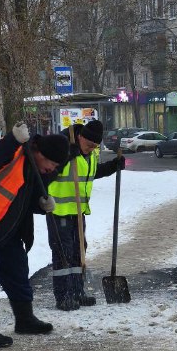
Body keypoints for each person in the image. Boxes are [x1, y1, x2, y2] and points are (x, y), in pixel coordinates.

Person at [0, 121, 69, 347]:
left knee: (17, 270)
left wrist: (42, 204)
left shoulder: (39, 169)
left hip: (7, 225)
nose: (52, 170)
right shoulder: (14, 152)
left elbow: (27, 198)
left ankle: (25, 320)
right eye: (51, 164)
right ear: (39, 152)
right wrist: (12, 139)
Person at [46, 119, 125, 310]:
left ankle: (77, 292)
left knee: (78, 252)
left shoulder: (89, 154)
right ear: (80, 137)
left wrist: (114, 166)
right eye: (89, 145)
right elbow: (47, 173)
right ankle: (63, 296)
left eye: (95, 146)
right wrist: (65, 158)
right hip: (59, 211)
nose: (91, 149)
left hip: (78, 213)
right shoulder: (63, 149)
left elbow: (92, 173)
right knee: (63, 254)